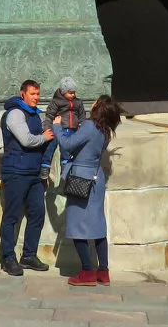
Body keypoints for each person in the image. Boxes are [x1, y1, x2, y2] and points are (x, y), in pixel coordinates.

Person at [54, 94, 122, 286]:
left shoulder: (91, 126)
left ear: (98, 107)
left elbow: (67, 145)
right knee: (98, 225)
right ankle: (103, 271)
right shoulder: (105, 131)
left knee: (77, 226)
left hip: (80, 178)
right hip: (96, 177)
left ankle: (87, 271)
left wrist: (58, 127)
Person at [0, 79, 54, 276]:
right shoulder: (15, 114)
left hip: (33, 174)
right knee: (11, 216)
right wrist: (45, 138)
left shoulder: (35, 115)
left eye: (38, 94)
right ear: (23, 94)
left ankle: (29, 255)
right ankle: (8, 258)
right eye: (32, 94)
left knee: (37, 213)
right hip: (16, 172)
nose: (36, 98)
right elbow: (27, 140)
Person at [41, 76, 86, 181]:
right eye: (70, 92)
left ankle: (65, 166)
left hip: (72, 129)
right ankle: (45, 166)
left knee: (67, 149)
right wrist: (47, 128)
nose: (73, 95)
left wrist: (82, 125)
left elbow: (82, 116)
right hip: (58, 128)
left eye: (74, 92)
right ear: (63, 91)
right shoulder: (56, 102)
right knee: (50, 146)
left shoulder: (78, 102)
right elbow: (49, 116)